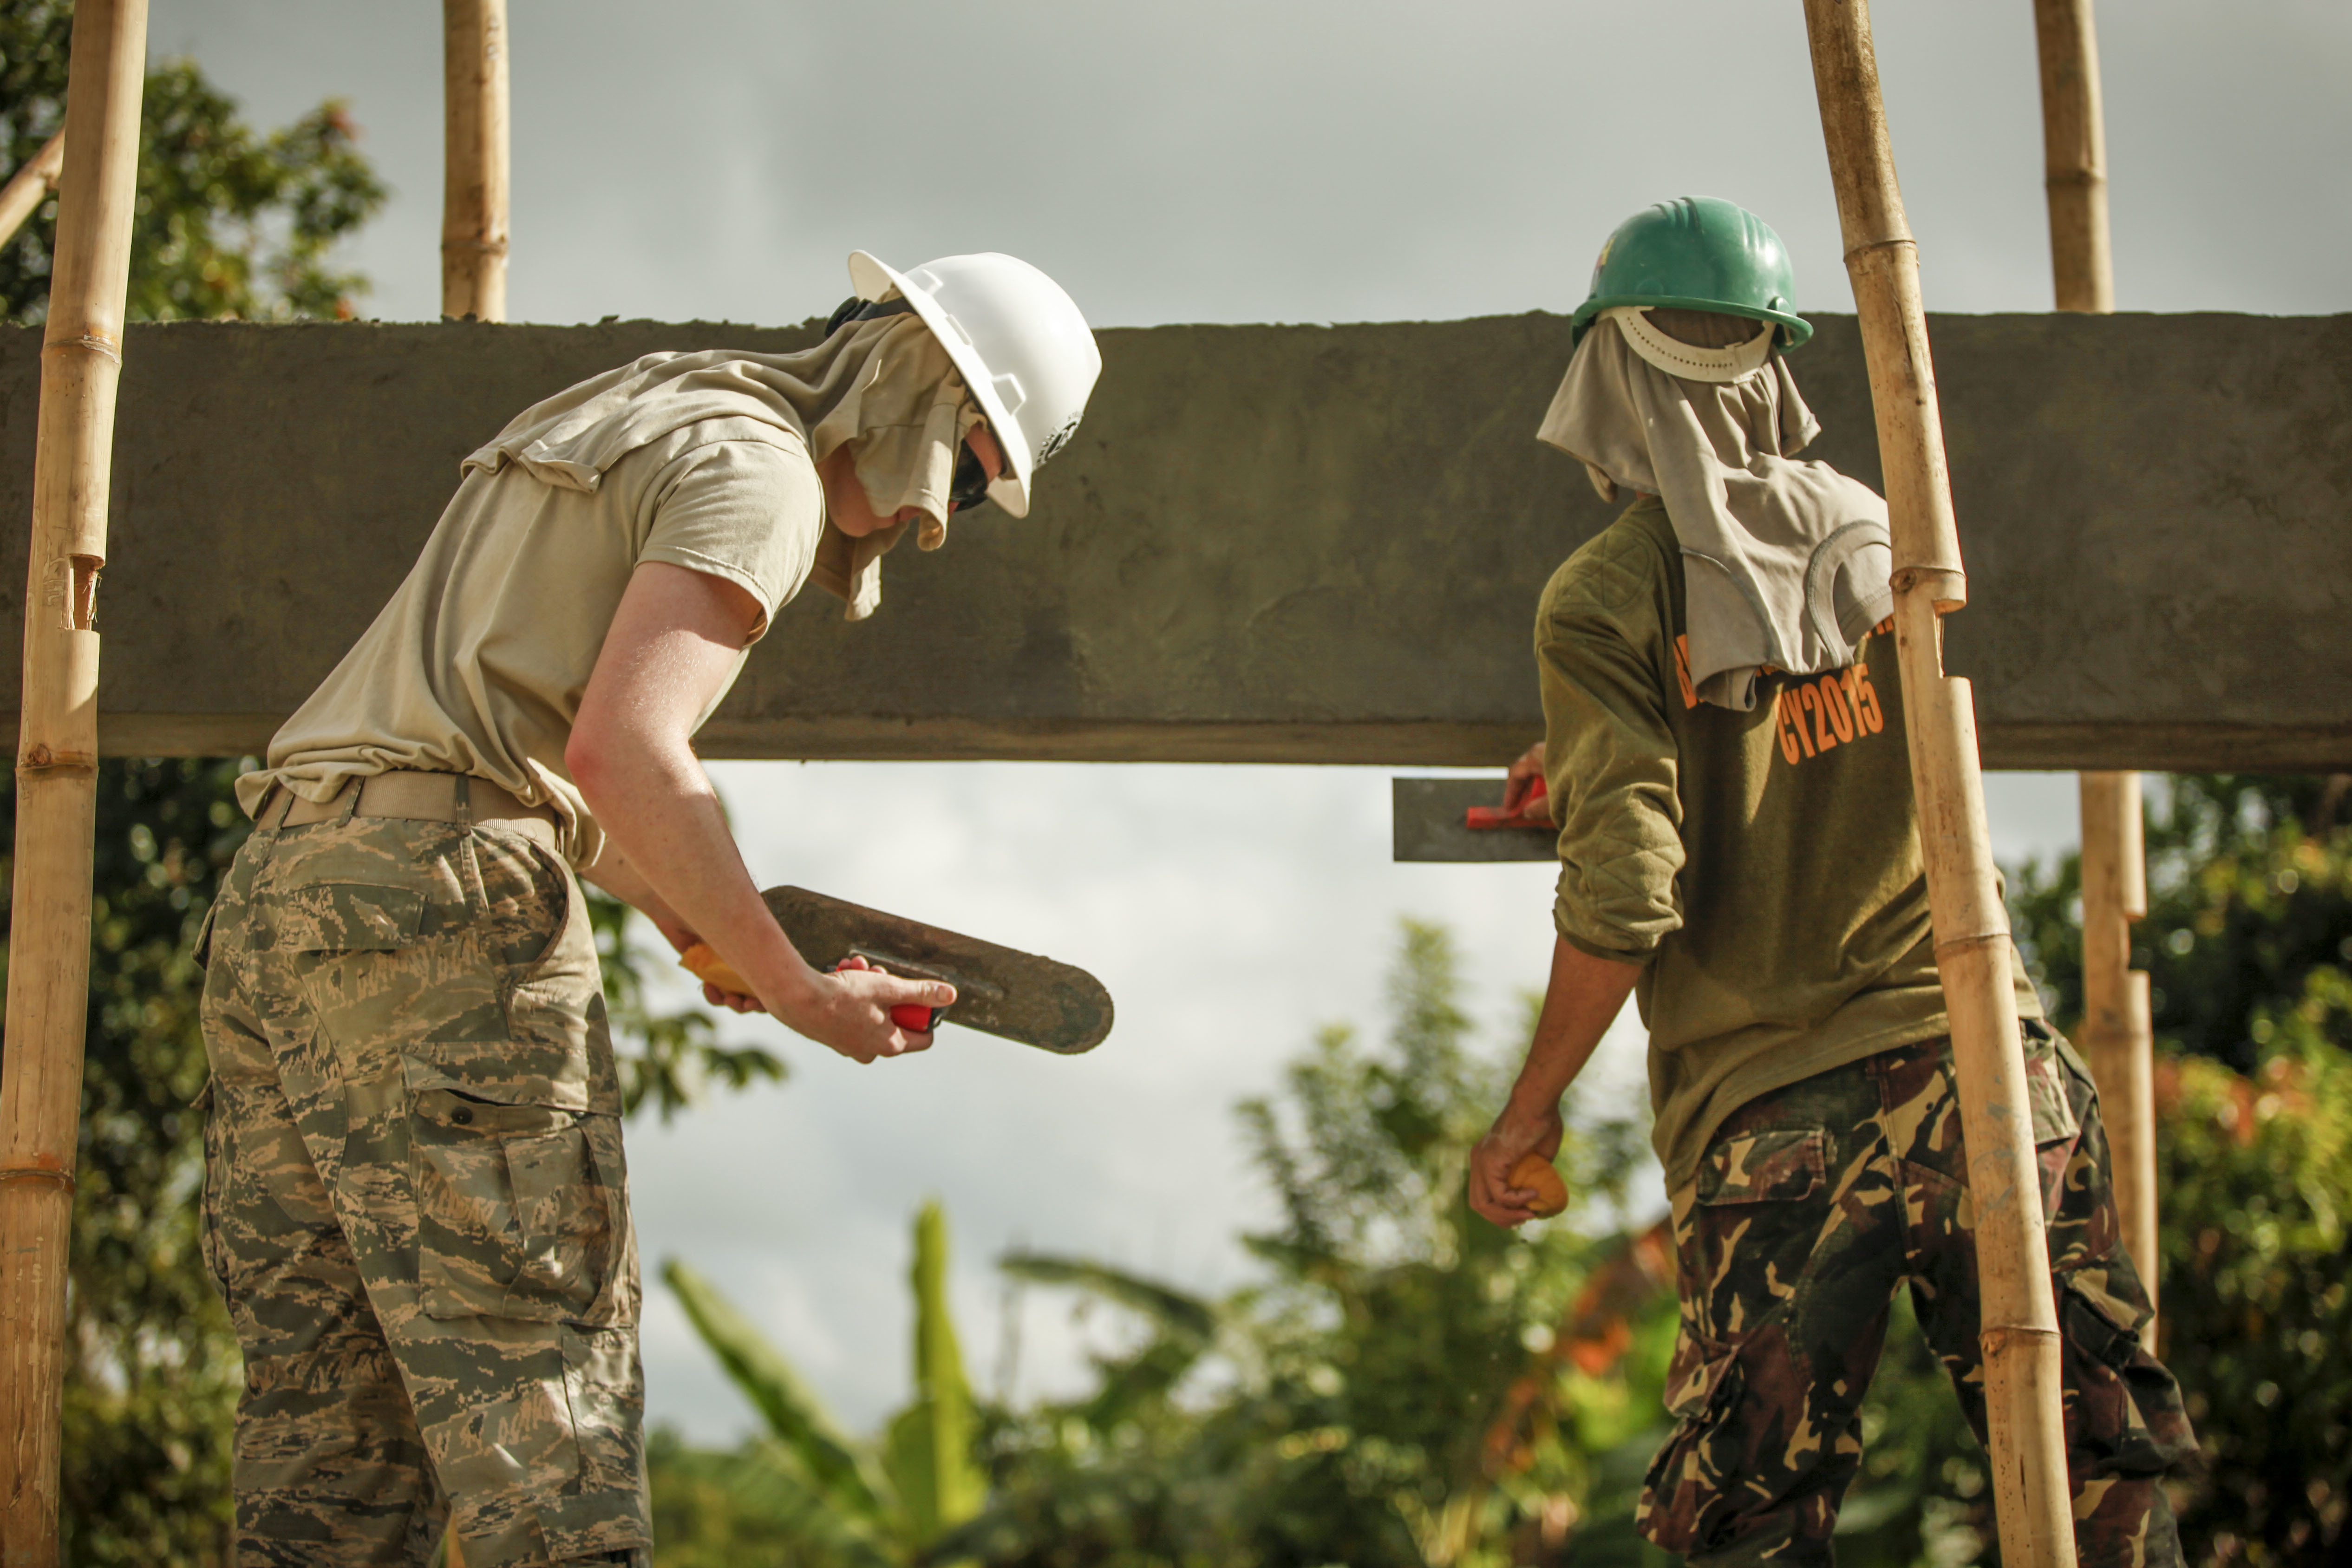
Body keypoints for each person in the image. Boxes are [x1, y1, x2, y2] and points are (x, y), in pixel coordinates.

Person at [196, 249, 1102, 1566]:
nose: (931, 518)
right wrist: (800, 995)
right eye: (969, 473)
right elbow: (629, 752)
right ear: (926, 389)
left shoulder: (651, 404)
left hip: (286, 890)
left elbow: (538, 750)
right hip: (445, 907)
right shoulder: (765, 473)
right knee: (545, 1412)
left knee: (329, 1438)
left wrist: (703, 927)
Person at [1464, 197, 2193, 1565]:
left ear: (1607, 368)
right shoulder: (1878, 529)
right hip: (1991, 1079)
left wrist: (1525, 1115)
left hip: (1777, 1123)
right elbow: (1806, 712)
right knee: (2103, 1482)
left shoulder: (1601, 598)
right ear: (1773, 360)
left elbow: (1627, 894)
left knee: (1745, 1522)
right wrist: (1597, 747)